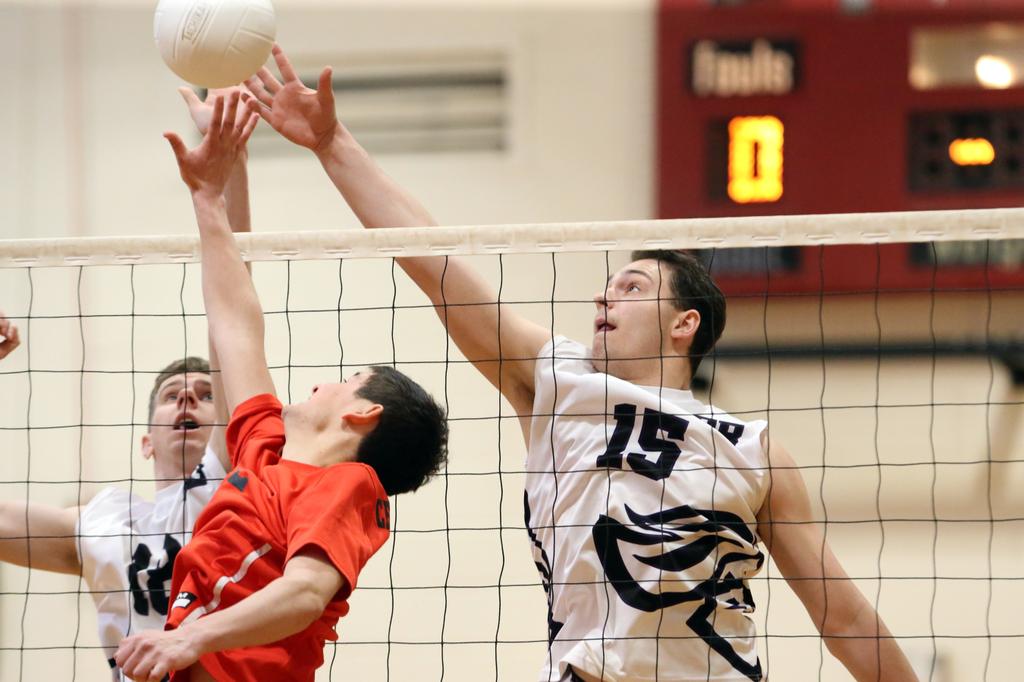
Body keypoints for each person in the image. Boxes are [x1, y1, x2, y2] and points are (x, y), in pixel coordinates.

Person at [242, 45, 919, 682]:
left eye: (632, 287)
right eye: (607, 284)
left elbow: (843, 615)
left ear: (686, 324)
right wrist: (333, 145)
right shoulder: (556, 383)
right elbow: (435, 262)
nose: (604, 294)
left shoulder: (753, 448)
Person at [114, 91, 448, 682]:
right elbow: (236, 324)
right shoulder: (263, 450)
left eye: (346, 380)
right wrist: (207, 198)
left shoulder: (347, 484)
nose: (323, 382)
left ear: (364, 412)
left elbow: (304, 594)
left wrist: (189, 638)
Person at [0, 87, 256, 682]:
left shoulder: (232, 481)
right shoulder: (106, 524)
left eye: (206, 393)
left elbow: (235, 313)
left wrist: (229, 165)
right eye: (172, 396)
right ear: (147, 441)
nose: (189, 398)